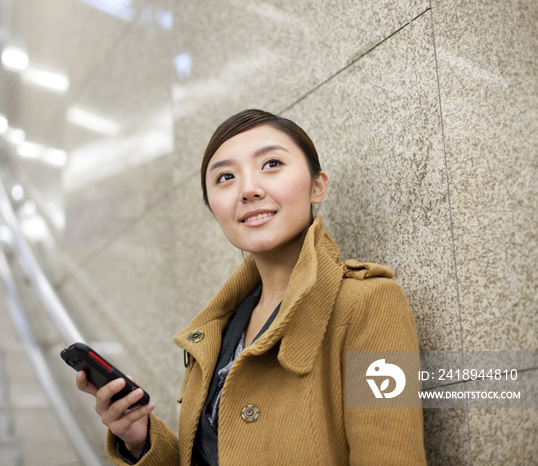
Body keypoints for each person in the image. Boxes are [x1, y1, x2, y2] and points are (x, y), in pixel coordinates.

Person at [76, 109, 427, 465]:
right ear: (214, 209)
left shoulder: (369, 304)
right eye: (225, 177)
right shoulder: (214, 334)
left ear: (317, 185)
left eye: (272, 164)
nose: (248, 190)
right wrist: (139, 440)